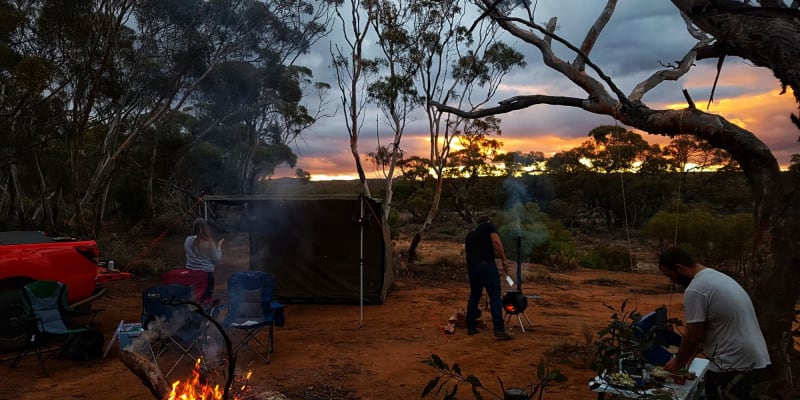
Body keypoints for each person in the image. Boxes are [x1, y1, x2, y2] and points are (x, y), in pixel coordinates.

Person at [658, 247, 770, 399]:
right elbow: (711, 329)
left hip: (732, 365)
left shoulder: (696, 289)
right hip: (753, 361)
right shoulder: (716, 278)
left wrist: (679, 361)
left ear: (679, 268)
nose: (674, 282)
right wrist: (689, 356)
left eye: (672, 276)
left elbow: (693, 335)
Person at [464, 216, 512, 341]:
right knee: (495, 295)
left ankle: (471, 326)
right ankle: (499, 330)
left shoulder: (470, 234)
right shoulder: (489, 226)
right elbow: (495, 241)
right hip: (486, 265)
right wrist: (504, 259)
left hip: (472, 267)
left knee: (474, 295)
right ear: (489, 221)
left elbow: (467, 253)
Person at [185, 217, 224, 298]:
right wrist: (219, 247)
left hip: (190, 274)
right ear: (206, 228)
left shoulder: (187, 240)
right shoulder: (209, 243)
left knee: (193, 299)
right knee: (206, 301)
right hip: (206, 276)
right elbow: (216, 260)